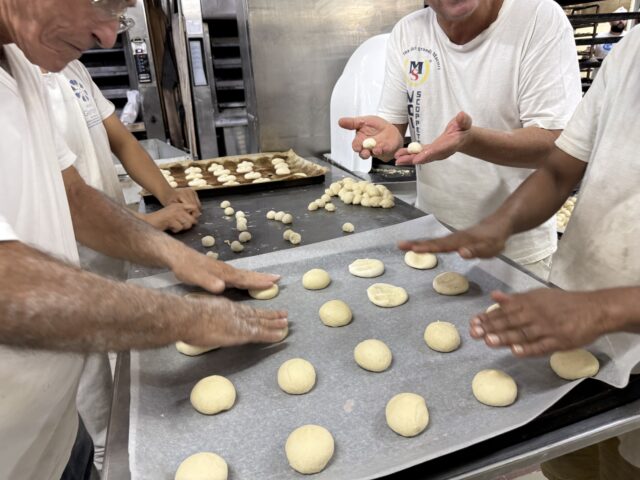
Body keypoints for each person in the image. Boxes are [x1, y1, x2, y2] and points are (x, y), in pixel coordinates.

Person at [0, 1, 287, 479]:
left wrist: (172, 253)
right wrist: (182, 317)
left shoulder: (22, 64)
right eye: (102, 4)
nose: (108, 37)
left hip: (55, 434)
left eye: (119, 13)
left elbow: (73, 196)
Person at [399, 23, 640, 480]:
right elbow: (560, 169)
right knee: (570, 465)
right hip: (572, 332)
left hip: (603, 324)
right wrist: (500, 223)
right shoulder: (633, 47)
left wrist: (603, 308)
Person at [339, 0, 582, 280]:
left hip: (514, 251)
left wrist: (470, 141)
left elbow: (560, 146)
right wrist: (386, 142)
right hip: (432, 238)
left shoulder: (538, 17)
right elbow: (392, 130)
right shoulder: (408, 31)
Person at [39, 59, 203, 471]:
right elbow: (66, 200)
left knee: (117, 368)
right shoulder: (15, 83)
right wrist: (147, 225)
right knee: (90, 398)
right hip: (59, 270)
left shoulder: (70, 67)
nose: (107, 35)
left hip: (112, 252)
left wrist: (167, 194)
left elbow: (122, 141)